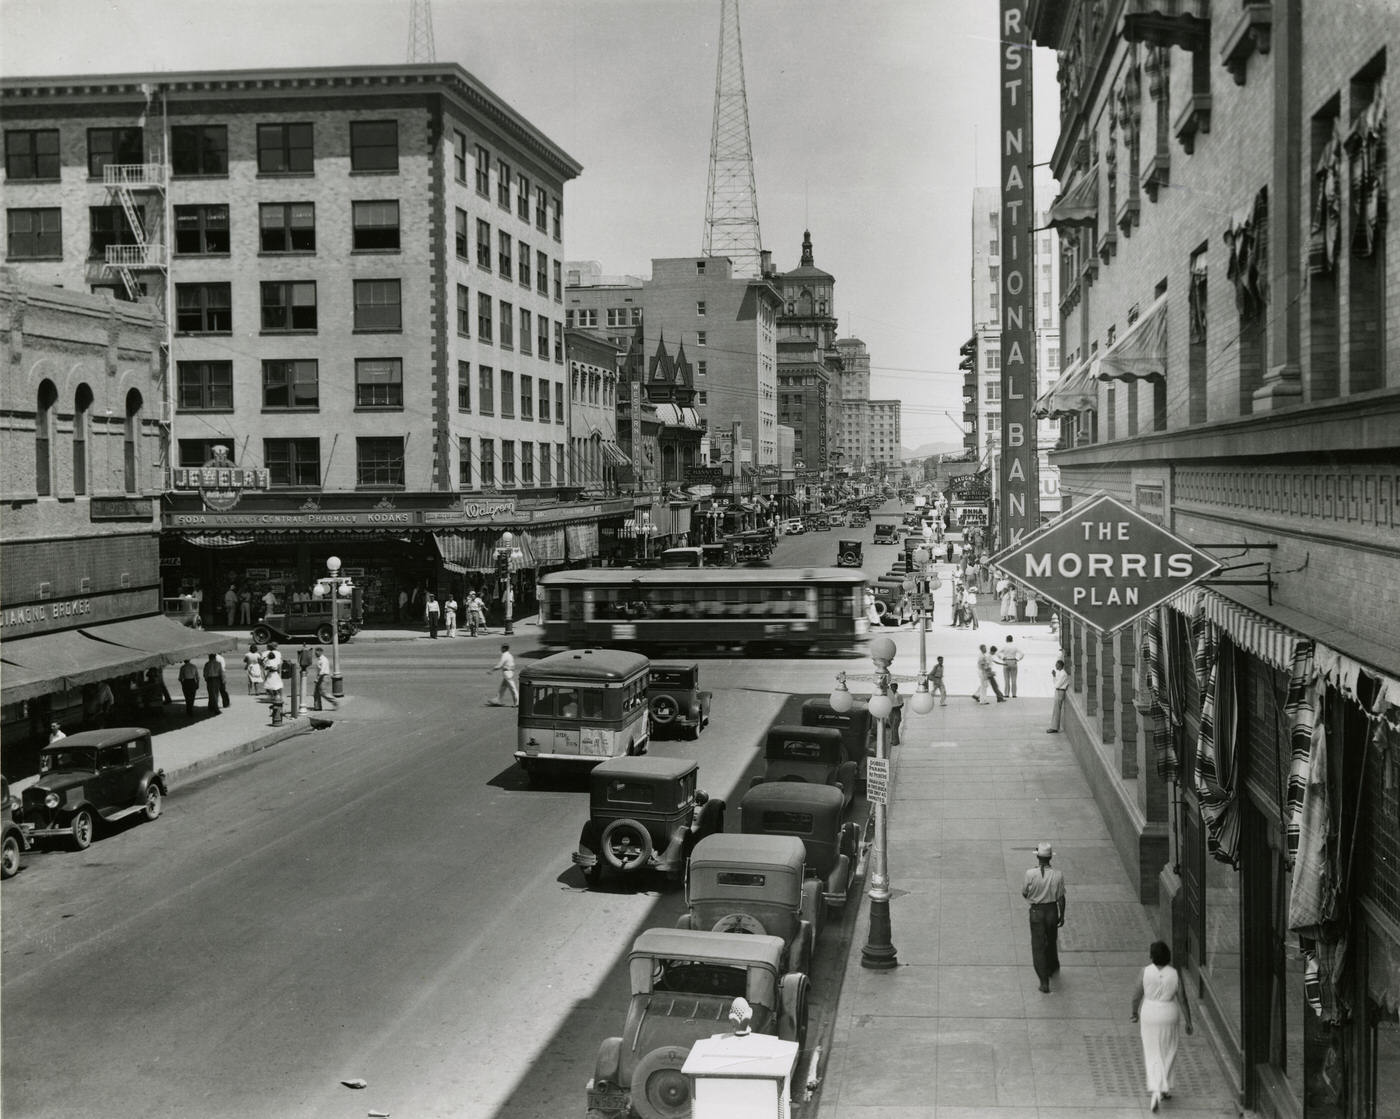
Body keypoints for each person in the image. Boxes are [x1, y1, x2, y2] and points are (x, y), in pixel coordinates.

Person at [1132, 940, 1194, 1111]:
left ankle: (1156, 1090)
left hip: (1149, 1014)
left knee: (1152, 1052)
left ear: (1152, 957)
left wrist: (1134, 1012)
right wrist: (1189, 1021)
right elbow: (1183, 999)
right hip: (1169, 1013)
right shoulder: (1175, 974)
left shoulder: (1145, 972)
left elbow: (1136, 995)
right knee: (1169, 1050)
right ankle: (1163, 1088)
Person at [1022, 841, 1066, 993]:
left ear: (1038, 857)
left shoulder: (1030, 874)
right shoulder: (1058, 875)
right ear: (1050, 858)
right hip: (1052, 911)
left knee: (1038, 946)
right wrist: (1062, 914)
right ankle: (1052, 965)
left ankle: (1044, 982)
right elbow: (1061, 897)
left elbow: (1025, 892)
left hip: (1037, 912)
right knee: (1051, 939)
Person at [1048, 659, 1071, 732]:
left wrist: (1055, 681)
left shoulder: (1063, 674)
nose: (1055, 666)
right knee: (1055, 710)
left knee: (1057, 710)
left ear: (1060, 665)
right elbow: (1056, 683)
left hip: (1060, 692)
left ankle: (1054, 728)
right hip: (1058, 691)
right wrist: (1054, 676)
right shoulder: (1060, 673)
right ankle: (1054, 727)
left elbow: (1057, 685)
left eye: (1056, 664)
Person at [262, 643, 284, 708]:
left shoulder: (266, 654)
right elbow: (280, 662)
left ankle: (274, 696)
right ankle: (279, 696)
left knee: (270, 685)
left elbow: (266, 666)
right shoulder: (278, 653)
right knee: (277, 685)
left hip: (271, 673)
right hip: (276, 672)